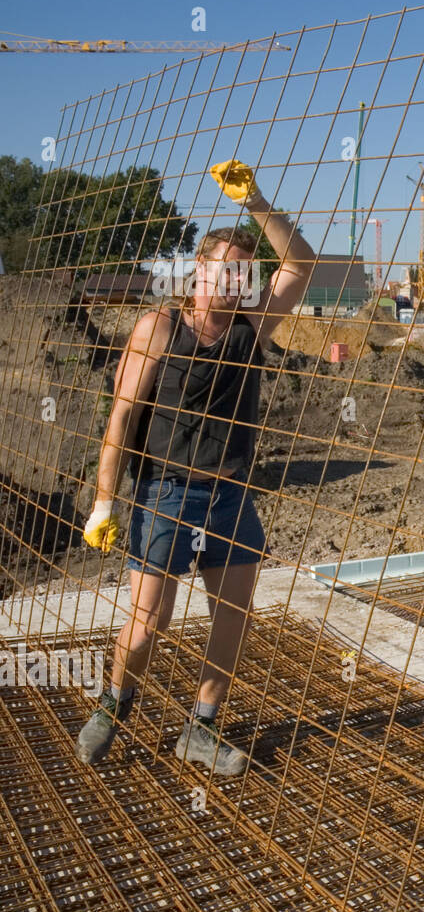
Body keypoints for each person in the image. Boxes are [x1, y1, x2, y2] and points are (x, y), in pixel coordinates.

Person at [78, 159, 317, 774]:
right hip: (164, 491)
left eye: (241, 272)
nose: (230, 281)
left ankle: (201, 726)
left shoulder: (252, 327)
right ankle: (115, 701)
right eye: (219, 270)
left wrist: (258, 202)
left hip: (230, 497)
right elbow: (122, 416)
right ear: (197, 273)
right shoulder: (159, 326)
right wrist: (105, 500)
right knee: (146, 619)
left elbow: (303, 263)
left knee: (232, 616)